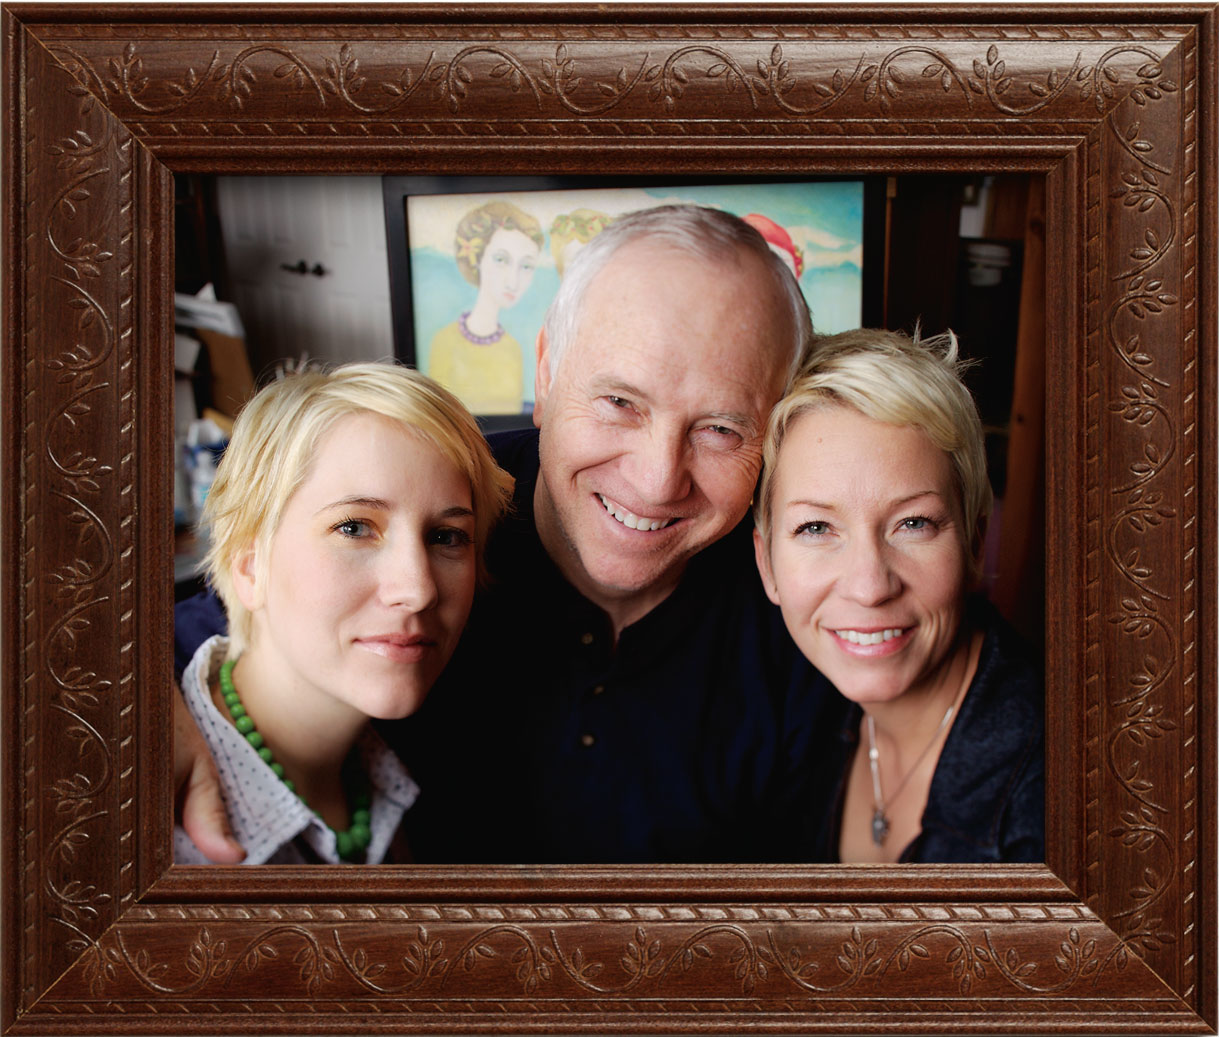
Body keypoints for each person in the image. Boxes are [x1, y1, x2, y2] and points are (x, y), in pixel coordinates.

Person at [175, 204, 839, 864]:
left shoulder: (800, 598)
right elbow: (221, 622)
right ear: (544, 373)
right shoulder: (440, 501)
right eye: (618, 402)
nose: (658, 478)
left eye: (720, 429)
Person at [175, 362, 512, 864]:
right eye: (354, 528)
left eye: (447, 537)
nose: (417, 590)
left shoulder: (390, 773)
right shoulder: (163, 833)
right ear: (249, 568)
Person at [752, 328, 1044, 863]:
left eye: (913, 523)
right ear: (766, 563)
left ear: (976, 542)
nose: (869, 586)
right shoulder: (800, 717)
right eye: (816, 528)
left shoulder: (1054, 803)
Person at [428, 200, 543, 415]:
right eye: (501, 260)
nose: (513, 281)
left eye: (526, 266)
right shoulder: (444, 341)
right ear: (477, 259)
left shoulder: (512, 348)